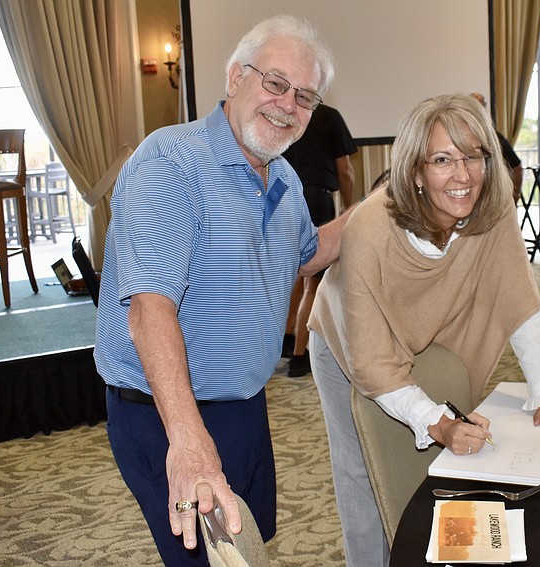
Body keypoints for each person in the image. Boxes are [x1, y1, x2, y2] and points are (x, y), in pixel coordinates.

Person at [94, 15, 350, 566]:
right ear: (235, 77)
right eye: (275, 83)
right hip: (170, 414)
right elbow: (149, 311)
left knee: (247, 551)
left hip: (244, 407)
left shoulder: (283, 178)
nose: (287, 105)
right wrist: (188, 442)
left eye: (305, 97)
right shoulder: (172, 162)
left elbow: (308, 255)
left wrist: (380, 208)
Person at [308, 93, 540, 567]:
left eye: (473, 157)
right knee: (366, 473)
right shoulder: (369, 229)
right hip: (348, 342)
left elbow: (518, 299)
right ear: (415, 171)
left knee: (437, 466)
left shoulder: (492, 206)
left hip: (427, 330)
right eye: (442, 160)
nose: (463, 175)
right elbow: (373, 362)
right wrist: (437, 421)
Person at [282, 104, 357, 377]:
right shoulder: (329, 116)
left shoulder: (284, 112)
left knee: (295, 273)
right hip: (316, 200)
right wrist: (349, 208)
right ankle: (299, 356)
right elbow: (345, 170)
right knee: (313, 282)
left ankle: (288, 337)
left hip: (285, 199)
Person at [469, 92, 523, 204]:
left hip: (490, 202)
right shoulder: (457, 139)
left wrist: (514, 198)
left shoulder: (495, 139)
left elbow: (517, 168)